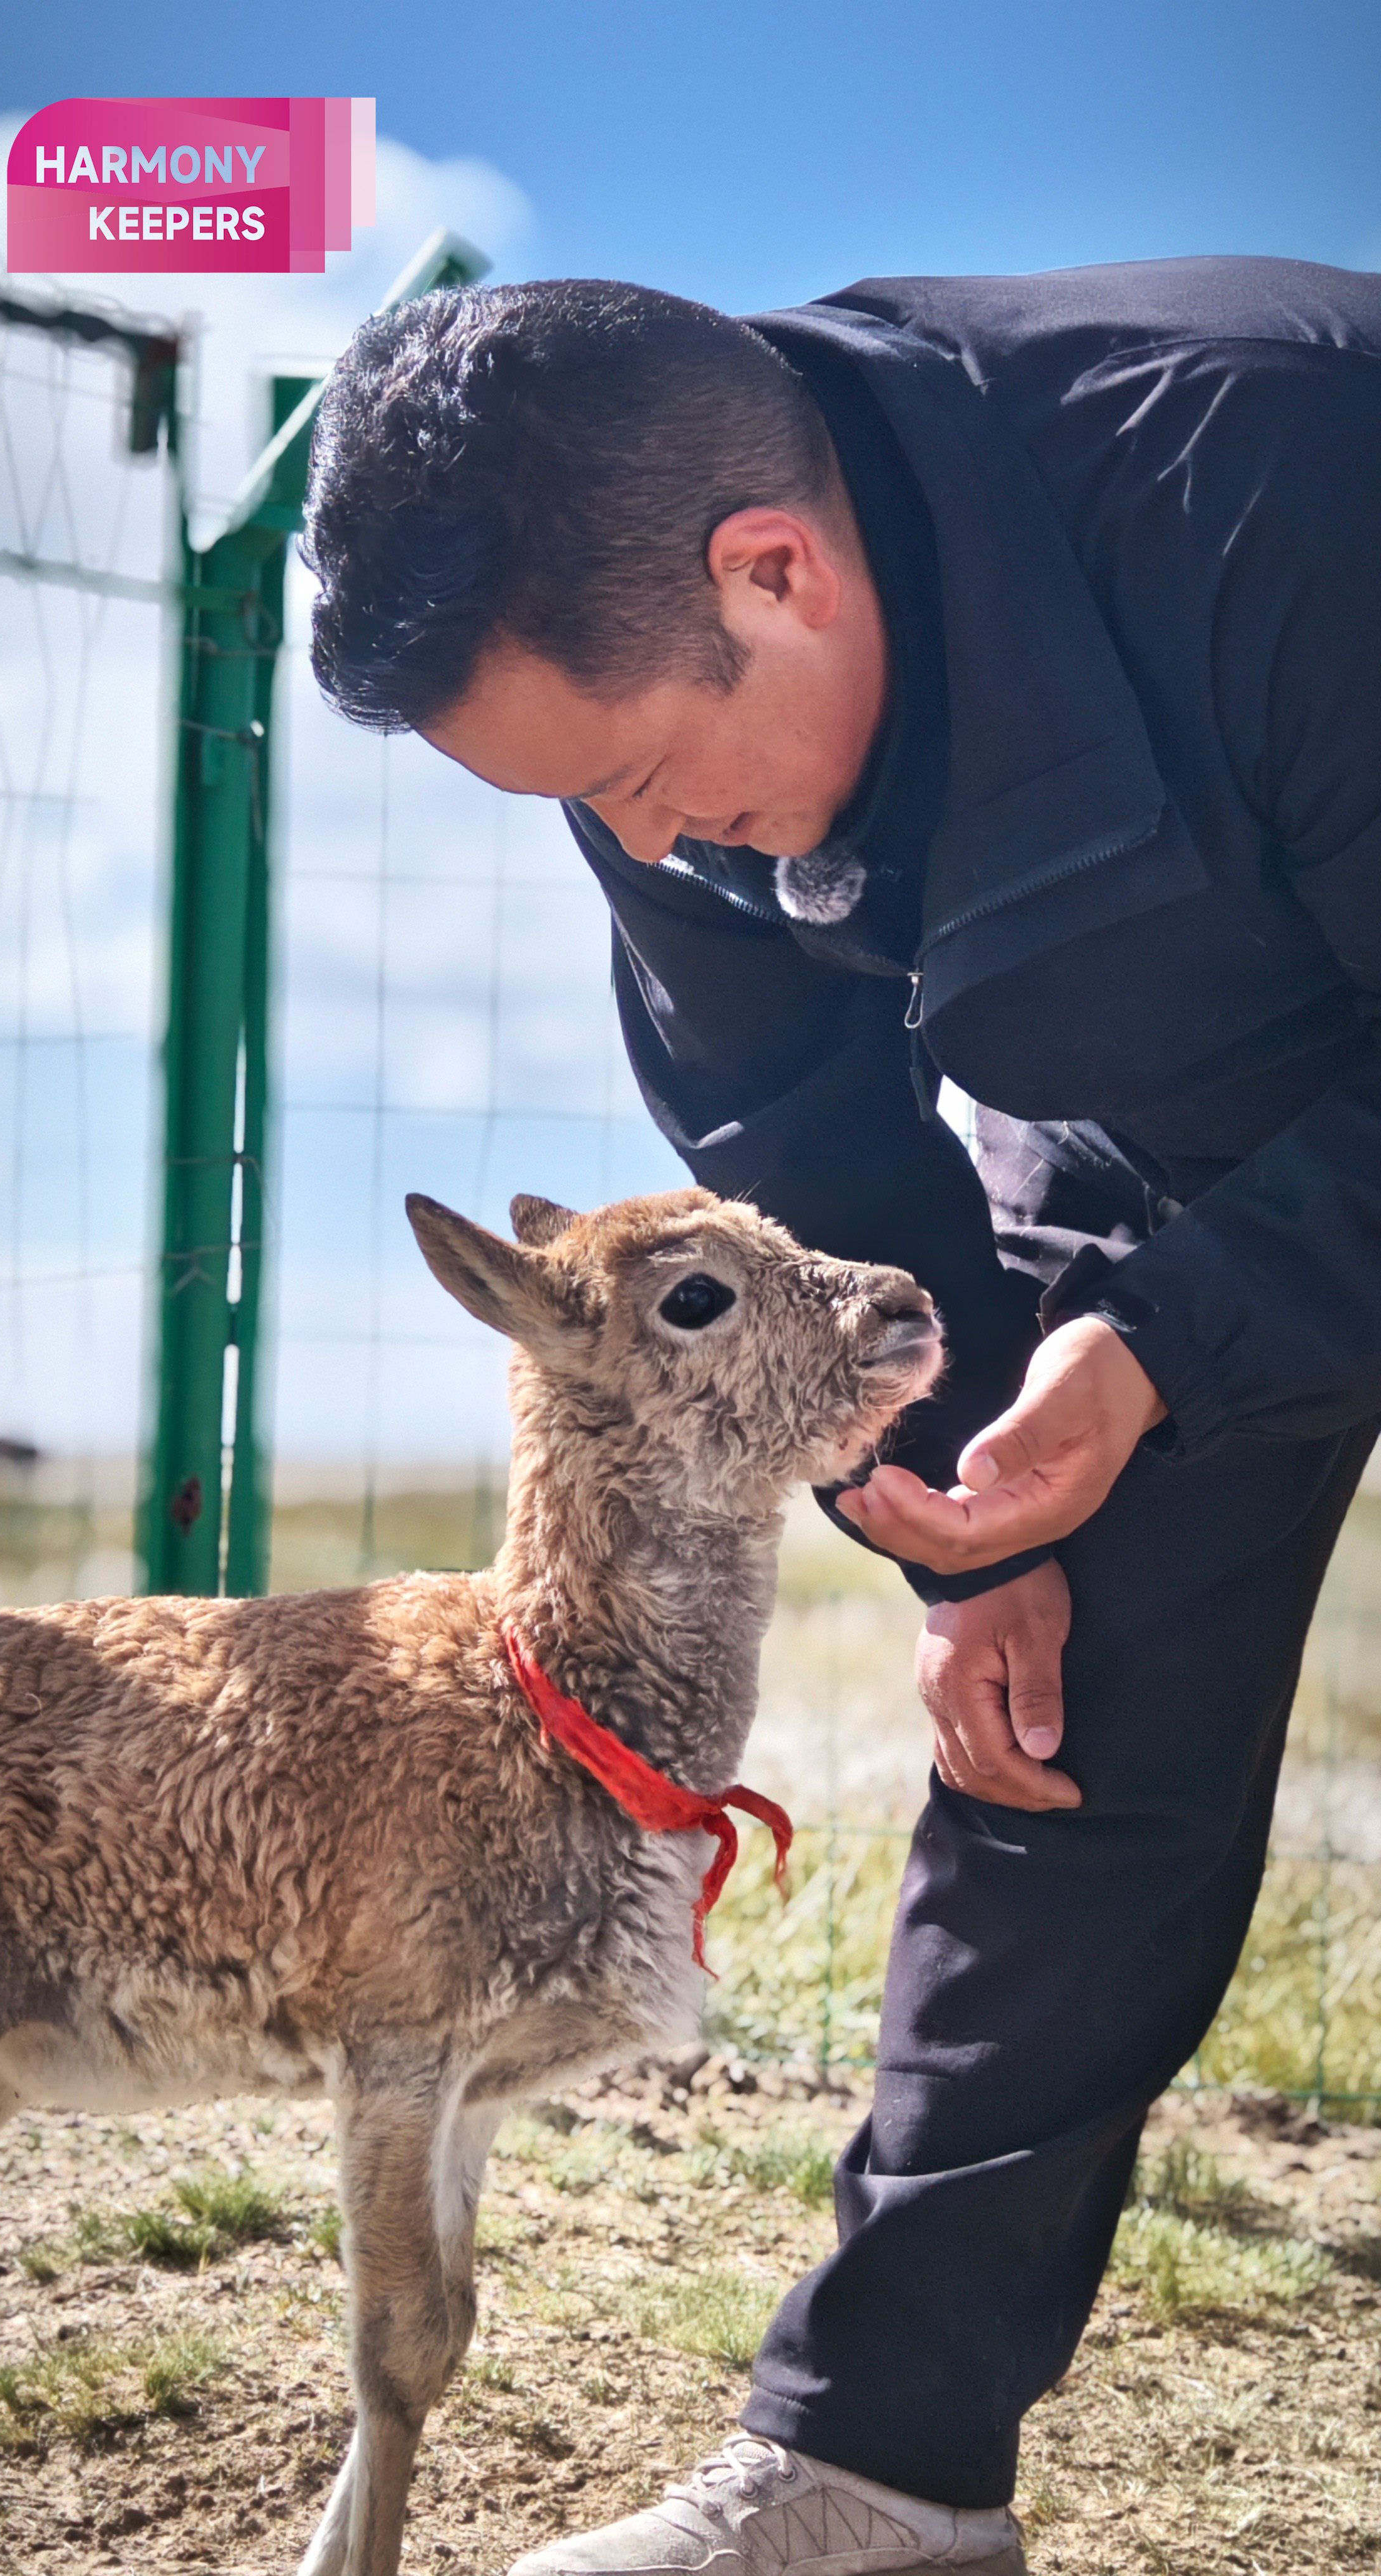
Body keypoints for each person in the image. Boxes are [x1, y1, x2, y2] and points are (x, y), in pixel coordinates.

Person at [301, 258, 1381, 2576]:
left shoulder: (1276, 478)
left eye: (635, 781)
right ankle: (880, 2469)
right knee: (1053, 1741)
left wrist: (1189, 1328)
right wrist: (977, 1533)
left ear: (771, 574)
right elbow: (801, 1145)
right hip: (1152, 1109)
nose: (655, 852)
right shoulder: (654, 735)